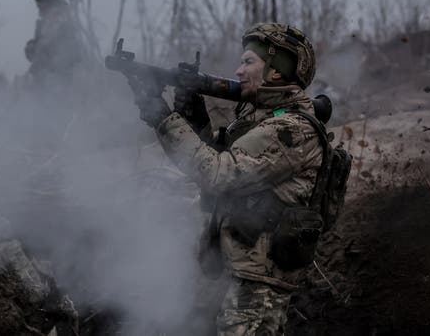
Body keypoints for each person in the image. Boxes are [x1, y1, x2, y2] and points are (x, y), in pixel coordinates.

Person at [131, 23, 325, 335]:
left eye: (248, 62)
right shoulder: (256, 121)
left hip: (257, 283)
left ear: (275, 72)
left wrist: (163, 117)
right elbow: (206, 160)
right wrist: (193, 117)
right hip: (234, 267)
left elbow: (218, 174)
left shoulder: (291, 130)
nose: (237, 70)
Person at [24, 0, 80, 89]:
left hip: (58, 77)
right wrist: (32, 47)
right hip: (49, 75)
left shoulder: (59, 17)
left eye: (39, 1)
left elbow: (52, 46)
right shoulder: (46, 20)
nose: (37, 5)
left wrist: (36, 51)